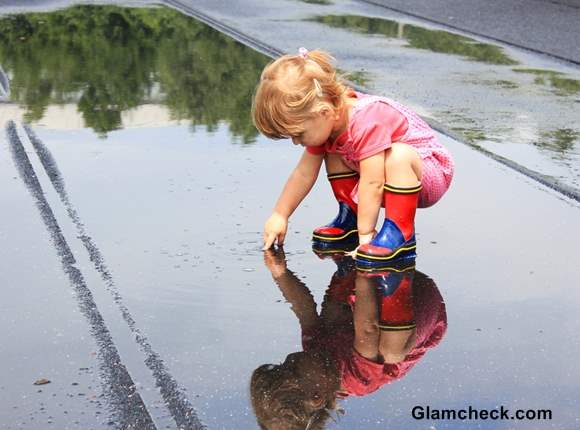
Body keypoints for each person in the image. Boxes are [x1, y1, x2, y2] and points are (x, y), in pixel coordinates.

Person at [252, 48, 454, 265]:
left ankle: (400, 232)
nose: (296, 142)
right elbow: (303, 174)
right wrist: (280, 215)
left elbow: (373, 182)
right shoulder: (327, 121)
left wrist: (366, 237)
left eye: (298, 134)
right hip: (388, 176)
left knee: (397, 155)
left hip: (428, 172)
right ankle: (351, 217)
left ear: (324, 112)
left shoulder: (367, 120)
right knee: (330, 149)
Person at [250, 249, 447, 429]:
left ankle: (350, 259)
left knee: (330, 317)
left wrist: (279, 272)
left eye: (282, 363)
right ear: (317, 397)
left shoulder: (313, 352)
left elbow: (304, 308)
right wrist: (365, 271)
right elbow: (368, 329)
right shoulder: (357, 379)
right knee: (391, 352)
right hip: (418, 306)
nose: (290, 357)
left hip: (377, 293)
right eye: (292, 369)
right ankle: (367, 266)